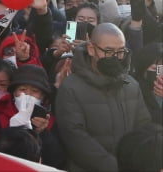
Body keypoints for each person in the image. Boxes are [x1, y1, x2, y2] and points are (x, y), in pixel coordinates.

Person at [55, 23, 152, 172]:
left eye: (121, 52)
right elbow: (76, 140)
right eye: (108, 51)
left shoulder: (131, 85)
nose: (116, 57)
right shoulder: (70, 88)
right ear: (91, 49)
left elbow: (144, 129)